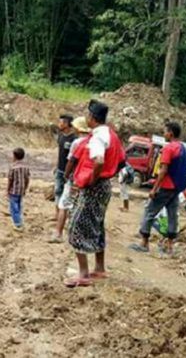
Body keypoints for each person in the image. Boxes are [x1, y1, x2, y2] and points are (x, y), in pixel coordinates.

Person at [64, 100, 125, 288]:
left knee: (75, 226)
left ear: (91, 117)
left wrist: (92, 179)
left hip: (94, 186)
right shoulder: (111, 135)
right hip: (104, 185)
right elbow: (122, 160)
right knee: (97, 224)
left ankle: (83, 274)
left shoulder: (98, 136)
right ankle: (99, 267)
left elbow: (98, 160)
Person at [130, 121, 186, 255]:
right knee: (172, 215)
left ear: (170, 133)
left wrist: (154, 188)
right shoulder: (183, 149)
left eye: (165, 131)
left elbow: (163, 171)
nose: (164, 134)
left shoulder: (169, 148)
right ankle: (169, 246)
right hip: (176, 188)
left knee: (149, 212)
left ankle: (144, 243)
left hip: (166, 186)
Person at [49, 116, 88, 243]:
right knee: (60, 194)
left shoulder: (76, 141)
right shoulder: (90, 141)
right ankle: (71, 228)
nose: (59, 124)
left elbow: (71, 160)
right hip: (79, 176)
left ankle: (59, 233)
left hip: (71, 176)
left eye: (61, 122)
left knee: (65, 202)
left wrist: (67, 175)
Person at [53, 115, 77, 221]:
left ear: (67, 124)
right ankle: (57, 215)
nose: (59, 124)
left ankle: (67, 217)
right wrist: (56, 165)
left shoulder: (74, 139)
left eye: (61, 122)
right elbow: (60, 153)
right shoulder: (61, 136)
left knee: (68, 194)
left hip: (70, 172)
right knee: (57, 191)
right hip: (60, 170)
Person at [7, 147, 31, 231]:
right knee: (19, 205)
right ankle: (20, 220)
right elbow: (27, 178)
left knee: (13, 207)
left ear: (14, 156)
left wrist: (7, 189)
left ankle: (18, 224)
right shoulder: (26, 167)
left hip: (14, 190)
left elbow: (10, 179)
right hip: (21, 190)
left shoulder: (13, 167)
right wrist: (26, 187)